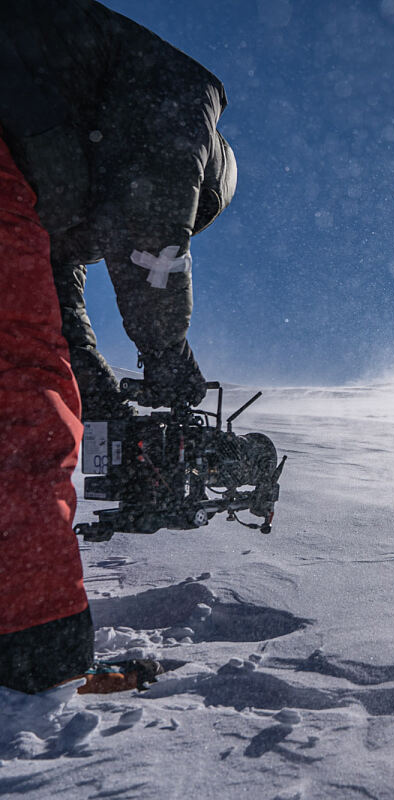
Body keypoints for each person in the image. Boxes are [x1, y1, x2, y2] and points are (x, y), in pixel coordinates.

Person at [1, 0, 236, 694]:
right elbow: (153, 227)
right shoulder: (185, 96)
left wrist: (112, 421)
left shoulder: (56, 184)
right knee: (21, 401)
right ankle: (34, 659)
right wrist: (166, 355)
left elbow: (61, 328)